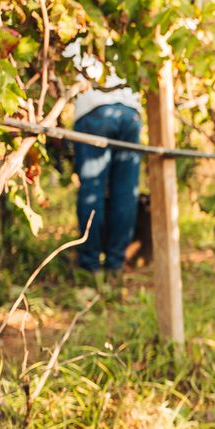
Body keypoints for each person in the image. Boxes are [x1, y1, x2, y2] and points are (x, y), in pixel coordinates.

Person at [71, 80, 143, 283]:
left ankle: (90, 265)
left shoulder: (72, 46)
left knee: (92, 188)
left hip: (93, 109)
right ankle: (115, 265)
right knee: (126, 192)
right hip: (130, 111)